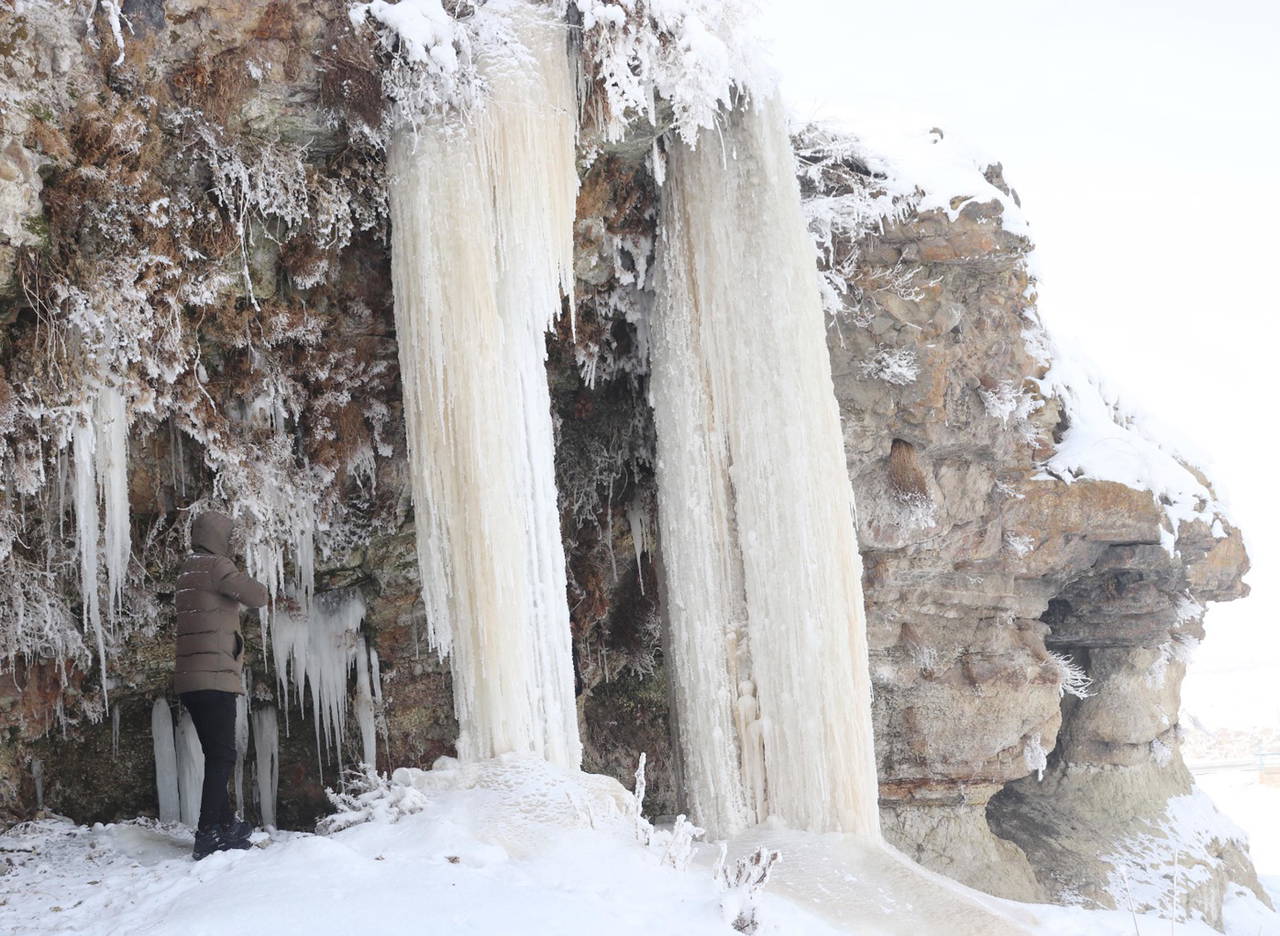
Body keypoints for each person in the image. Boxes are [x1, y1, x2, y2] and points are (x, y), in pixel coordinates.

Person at [174, 510, 269, 860]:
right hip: (214, 677)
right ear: (219, 539)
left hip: (190, 678)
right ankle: (208, 832)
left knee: (216, 753)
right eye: (228, 538)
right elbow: (257, 596)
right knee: (223, 755)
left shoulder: (187, 570)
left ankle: (226, 824)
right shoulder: (215, 567)